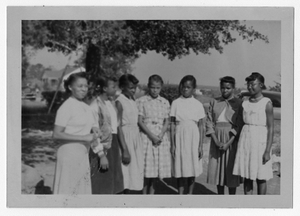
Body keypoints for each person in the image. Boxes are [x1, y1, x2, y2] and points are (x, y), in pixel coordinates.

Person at [52, 72, 100, 194]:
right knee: (68, 193)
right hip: (69, 154)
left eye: (86, 86)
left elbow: (91, 124)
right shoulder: (66, 107)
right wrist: (83, 137)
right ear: (70, 87)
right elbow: (56, 134)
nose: (84, 89)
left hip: (83, 154)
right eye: (80, 86)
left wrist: (95, 129)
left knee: (80, 192)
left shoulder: (86, 107)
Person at [233, 72, 274, 195]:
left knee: (261, 177)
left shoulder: (267, 103)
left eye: (253, 84)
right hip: (246, 141)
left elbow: (271, 128)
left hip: (260, 142)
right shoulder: (244, 103)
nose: (250, 87)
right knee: (247, 175)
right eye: (248, 84)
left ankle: (260, 207)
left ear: (261, 85)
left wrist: (267, 151)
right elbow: (239, 123)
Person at [206, 76, 243, 195]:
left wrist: (229, 142)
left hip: (231, 139)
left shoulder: (239, 103)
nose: (225, 90)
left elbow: (239, 124)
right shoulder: (214, 101)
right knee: (218, 170)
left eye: (228, 88)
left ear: (233, 88)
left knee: (231, 169)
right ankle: (220, 200)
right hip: (217, 138)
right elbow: (209, 122)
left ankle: (231, 202)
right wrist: (216, 141)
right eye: (223, 88)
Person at [170, 75, 205, 194]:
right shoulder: (175, 103)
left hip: (193, 137)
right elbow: (173, 125)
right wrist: (173, 144)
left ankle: (189, 193)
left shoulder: (197, 104)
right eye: (183, 87)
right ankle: (180, 194)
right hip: (180, 136)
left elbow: (201, 126)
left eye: (188, 87)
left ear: (193, 89)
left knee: (192, 165)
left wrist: (200, 145)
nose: (185, 89)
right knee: (180, 165)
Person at [137, 75, 171, 194]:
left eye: (157, 87)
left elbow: (167, 121)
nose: (155, 90)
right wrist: (152, 136)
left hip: (160, 137)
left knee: (156, 169)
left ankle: (152, 196)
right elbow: (140, 121)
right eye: (152, 87)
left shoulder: (164, 102)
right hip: (147, 136)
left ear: (161, 87)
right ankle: (144, 195)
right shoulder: (142, 101)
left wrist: (161, 134)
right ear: (148, 86)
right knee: (147, 168)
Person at [89, 76, 124, 194]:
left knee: (113, 182)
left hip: (113, 145)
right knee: (101, 182)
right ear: (104, 88)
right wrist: (101, 155)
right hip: (102, 148)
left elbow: (115, 127)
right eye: (113, 87)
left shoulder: (111, 103)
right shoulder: (95, 105)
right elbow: (93, 132)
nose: (115, 90)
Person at [115, 74, 144, 193]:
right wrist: (124, 149)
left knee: (133, 172)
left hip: (135, 137)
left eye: (135, 87)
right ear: (122, 87)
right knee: (125, 172)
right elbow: (118, 126)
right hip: (125, 138)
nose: (133, 90)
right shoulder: (119, 102)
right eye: (131, 87)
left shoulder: (132, 100)